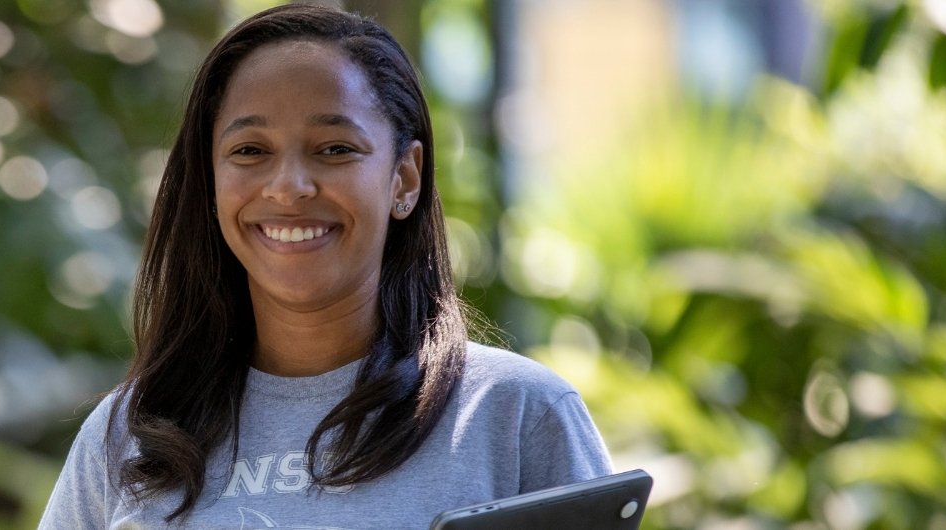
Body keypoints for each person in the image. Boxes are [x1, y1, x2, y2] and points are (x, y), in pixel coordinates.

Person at [38, 4, 612, 528]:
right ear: (211, 180)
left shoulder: (517, 416)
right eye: (250, 151)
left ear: (404, 179)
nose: (288, 187)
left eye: (335, 149)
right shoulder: (126, 437)